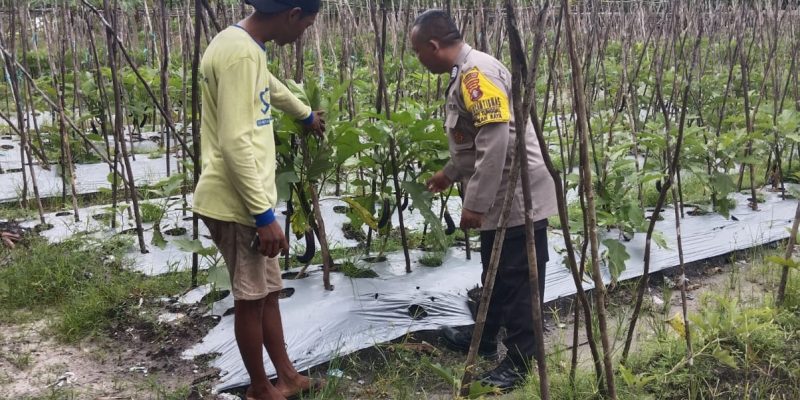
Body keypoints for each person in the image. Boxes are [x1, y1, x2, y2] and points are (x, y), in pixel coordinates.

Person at [410, 9, 558, 391]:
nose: (418, 59)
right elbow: (473, 140)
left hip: (515, 192)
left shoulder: (477, 74)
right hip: (500, 188)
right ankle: (486, 336)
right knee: (495, 268)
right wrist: (449, 173)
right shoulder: (465, 72)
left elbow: (495, 141)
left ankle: (521, 362)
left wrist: (475, 203)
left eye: (417, 52)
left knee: (519, 278)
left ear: (433, 45)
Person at [193, 1, 325, 399]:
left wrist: (304, 114)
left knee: (268, 293)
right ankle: (259, 389)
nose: (302, 34)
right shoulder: (239, 54)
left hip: (247, 199)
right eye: (306, 25)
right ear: (292, 13)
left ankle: (286, 376)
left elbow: (269, 85)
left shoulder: (240, 45)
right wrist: (263, 215)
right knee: (251, 299)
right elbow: (234, 142)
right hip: (238, 202)